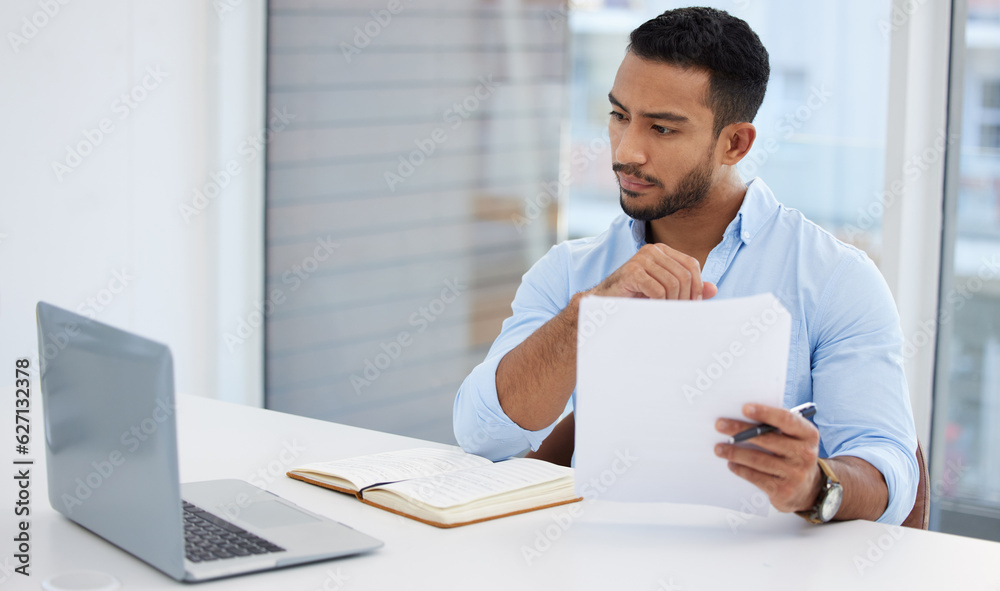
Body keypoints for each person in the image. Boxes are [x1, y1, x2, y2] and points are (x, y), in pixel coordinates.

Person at [453, 6, 918, 524]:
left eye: (663, 130)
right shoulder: (569, 271)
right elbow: (482, 436)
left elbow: (889, 471)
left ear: (735, 143)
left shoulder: (835, 280)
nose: (627, 151)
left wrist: (814, 485)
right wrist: (588, 317)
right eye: (618, 116)